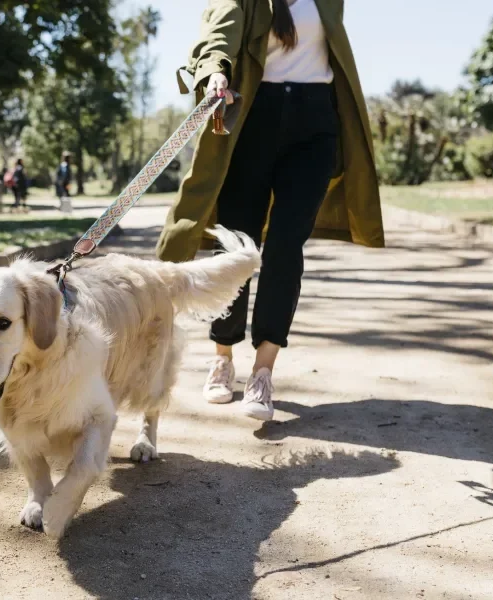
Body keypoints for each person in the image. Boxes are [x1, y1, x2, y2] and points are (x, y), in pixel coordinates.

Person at [157, 0, 383, 421]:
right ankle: (223, 357)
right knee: (237, 245)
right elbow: (216, 34)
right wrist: (215, 73)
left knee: (284, 246)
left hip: (316, 126)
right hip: (252, 122)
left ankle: (263, 371)